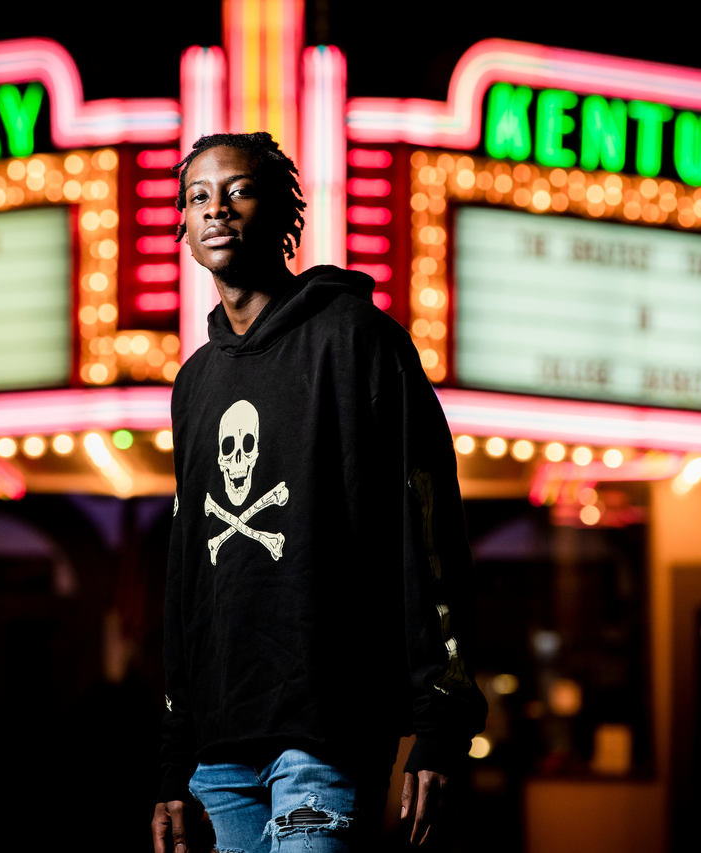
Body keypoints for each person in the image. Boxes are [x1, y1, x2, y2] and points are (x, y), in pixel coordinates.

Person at [151, 132, 487, 852]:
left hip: (326, 733)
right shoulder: (196, 382)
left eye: (238, 190)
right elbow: (187, 574)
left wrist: (441, 721)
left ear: (282, 214)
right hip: (219, 754)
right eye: (198, 197)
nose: (217, 210)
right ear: (183, 226)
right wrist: (173, 765)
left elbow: (424, 528)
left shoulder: (359, 340)